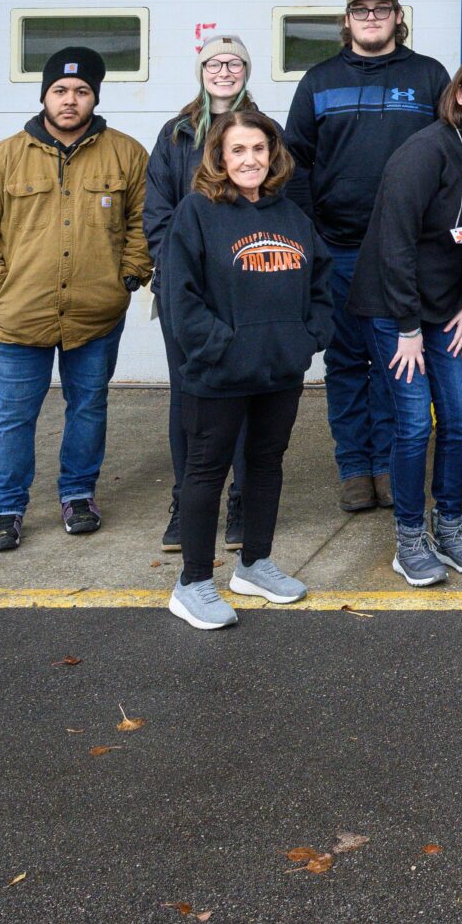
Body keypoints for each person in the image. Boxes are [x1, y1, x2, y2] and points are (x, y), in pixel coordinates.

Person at [0, 46, 150, 553]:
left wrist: (128, 275)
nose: (70, 100)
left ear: (95, 97)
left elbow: (144, 223)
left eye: (81, 91)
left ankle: (79, 494)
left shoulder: (126, 154)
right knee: (13, 413)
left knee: (88, 406)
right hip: (20, 314)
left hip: (96, 312)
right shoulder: (2, 158)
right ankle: (5, 508)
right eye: (60, 91)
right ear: (44, 95)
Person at [346, 53, 462, 586]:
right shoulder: (424, 151)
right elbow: (394, 243)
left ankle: (449, 525)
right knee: (416, 423)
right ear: (460, 93)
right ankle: (409, 537)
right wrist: (406, 327)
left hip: (449, 311)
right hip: (394, 310)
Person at [283, 0, 452, 515]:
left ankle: (387, 463)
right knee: (346, 361)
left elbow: (451, 154)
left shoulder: (429, 77)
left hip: (406, 251)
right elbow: (296, 163)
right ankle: (354, 467)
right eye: (362, 10)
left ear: (398, 16)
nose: (372, 18)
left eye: (382, 9)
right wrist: (310, 236)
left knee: (395, 363)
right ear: (347, 20)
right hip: (339, 246)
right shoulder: (319, 80)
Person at [158, 110, 333, 629]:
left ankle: (254, 564)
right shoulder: (197, 212)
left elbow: (321, 283)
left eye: (259, 149)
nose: (250, 159)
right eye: (237, 150)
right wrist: (220, 347)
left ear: (273, 154)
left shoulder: (291, 217)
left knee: (265, 465)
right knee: (206, 472)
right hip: (217, 374)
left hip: (279, 369)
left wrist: (307, 339)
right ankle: (191, 583)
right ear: (218, 156)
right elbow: (178, 297)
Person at [145, 34, 255, 554]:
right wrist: (178, 277)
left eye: (235, 62)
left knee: (244, 398)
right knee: (189, 398)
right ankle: (187, 501)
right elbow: (157, 214)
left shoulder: (262, 131)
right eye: (215, 62)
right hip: (184, 292)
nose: (225, 70)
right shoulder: (175, 134)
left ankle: (241, 500)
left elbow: (276, 204)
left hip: (245, 289)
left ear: (246, 71)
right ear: (201, 70)